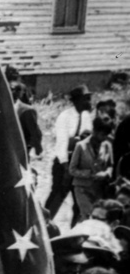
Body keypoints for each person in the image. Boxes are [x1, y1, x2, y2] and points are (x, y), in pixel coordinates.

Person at [44, 84, 94, 219]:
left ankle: (75, 231)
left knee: (79, 201)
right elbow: (62, 145)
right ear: (77, 100)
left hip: (79, 164)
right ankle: (44, 226)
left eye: (89, 98)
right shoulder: (65, 117)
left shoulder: (86, 116)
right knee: (57, 196)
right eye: (85, 99)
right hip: (63, 163)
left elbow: (87, 138)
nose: (88, 102)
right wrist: (66, 168)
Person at [70, 116, 115, 223]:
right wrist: (89, 174)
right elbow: (72, 169)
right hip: (82, 188)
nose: (104, 137)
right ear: (95, 131)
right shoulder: (80, 146)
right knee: (88, 216)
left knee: (98, 218)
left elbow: (110, 165)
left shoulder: (107, 146)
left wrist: (106, 173)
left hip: (98, 190)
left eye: (106, 135)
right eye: (102, 134)